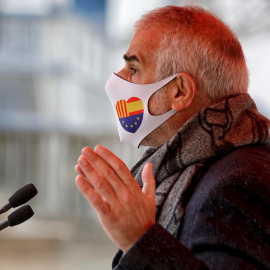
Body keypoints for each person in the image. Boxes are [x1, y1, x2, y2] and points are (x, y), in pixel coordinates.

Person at [75, 5, 270, 269]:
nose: (116, 81)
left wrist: (141, 241)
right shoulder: (208, 167)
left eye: (134, 69)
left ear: (179, 92)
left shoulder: (235, 183)